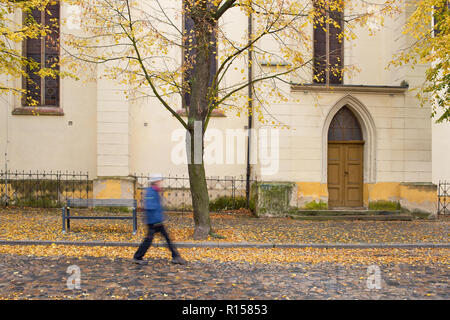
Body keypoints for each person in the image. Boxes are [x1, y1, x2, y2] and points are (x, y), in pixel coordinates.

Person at [133, 174, 187, 265]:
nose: (161, 183)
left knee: (166, 238)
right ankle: (137, 257)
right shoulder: (150, 192)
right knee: (149, 240)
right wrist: (157, 220)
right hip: (153, 222)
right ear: (155, 182)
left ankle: (176, 256)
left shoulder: (155, 191)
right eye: (159, 181)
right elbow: (149, 206)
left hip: (157, 221)